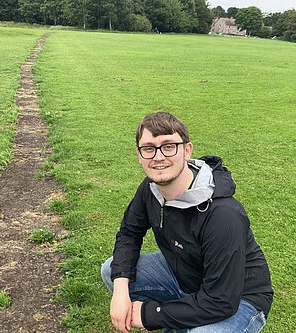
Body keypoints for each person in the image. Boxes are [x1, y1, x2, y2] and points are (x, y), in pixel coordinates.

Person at [101, 112, 273, 333]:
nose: (158, 156)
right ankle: (184, 314)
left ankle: (188, 320)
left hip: (239, 298)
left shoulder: (223, 214)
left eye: (169, 146)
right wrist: (121, 290)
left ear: (187, 150)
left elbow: (221, 301)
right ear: (139, 154)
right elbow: (129, 233)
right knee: (112, 272)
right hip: (184, 273)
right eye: (149, 148)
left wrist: (150, 314)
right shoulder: (150, 189)